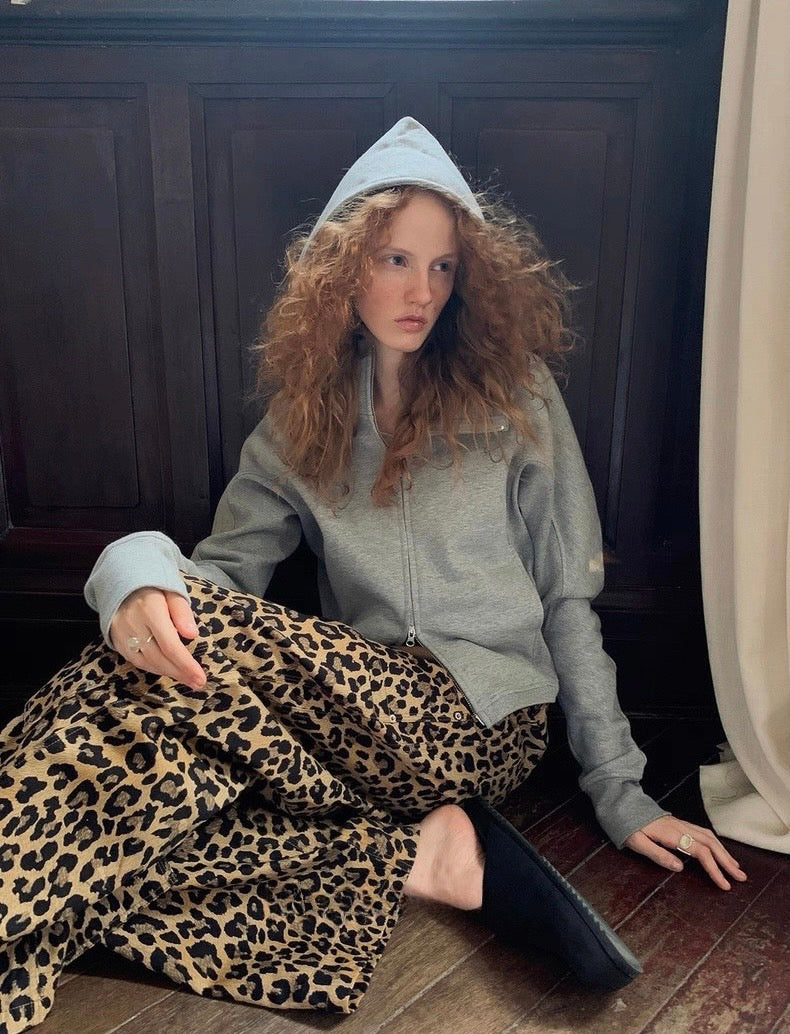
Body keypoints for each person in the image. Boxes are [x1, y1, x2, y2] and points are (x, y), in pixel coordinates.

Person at [0, 118, 745, 1032]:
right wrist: (128, 572)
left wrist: (619, 789)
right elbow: (220, 581)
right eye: (396, 259)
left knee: (165, 682)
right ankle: (420, 859)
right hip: (351, 720)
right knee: (138, 741)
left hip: (484, 718)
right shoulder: (301, 421)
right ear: (343, 267)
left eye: (442, 267)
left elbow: (566, 599)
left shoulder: (516, 398)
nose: (421, 290)